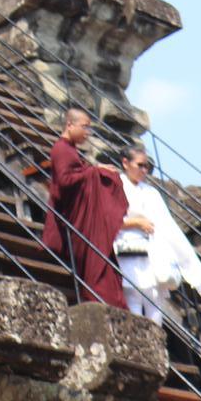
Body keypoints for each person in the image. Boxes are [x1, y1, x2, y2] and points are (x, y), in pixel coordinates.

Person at [115, 144, 201, 327]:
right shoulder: (116, 186)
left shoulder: (151, 192)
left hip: (151, 250)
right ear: (126, 163)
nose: (144, 170)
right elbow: (109, 218)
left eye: (146, 166)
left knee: (154, 298)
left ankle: (154, 343)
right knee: (133, 295)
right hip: (127, 245)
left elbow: (167, 226)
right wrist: (136, 222)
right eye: (140, 165)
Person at [42, 107, 129, 308]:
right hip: (75, 217)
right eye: (85, 127)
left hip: (82, 215)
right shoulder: (61, 149)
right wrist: (95, 171)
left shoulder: (70, 149)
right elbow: (64, 181)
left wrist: (94, 171)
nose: (88, 133)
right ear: (70, 124)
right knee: (96, 264)